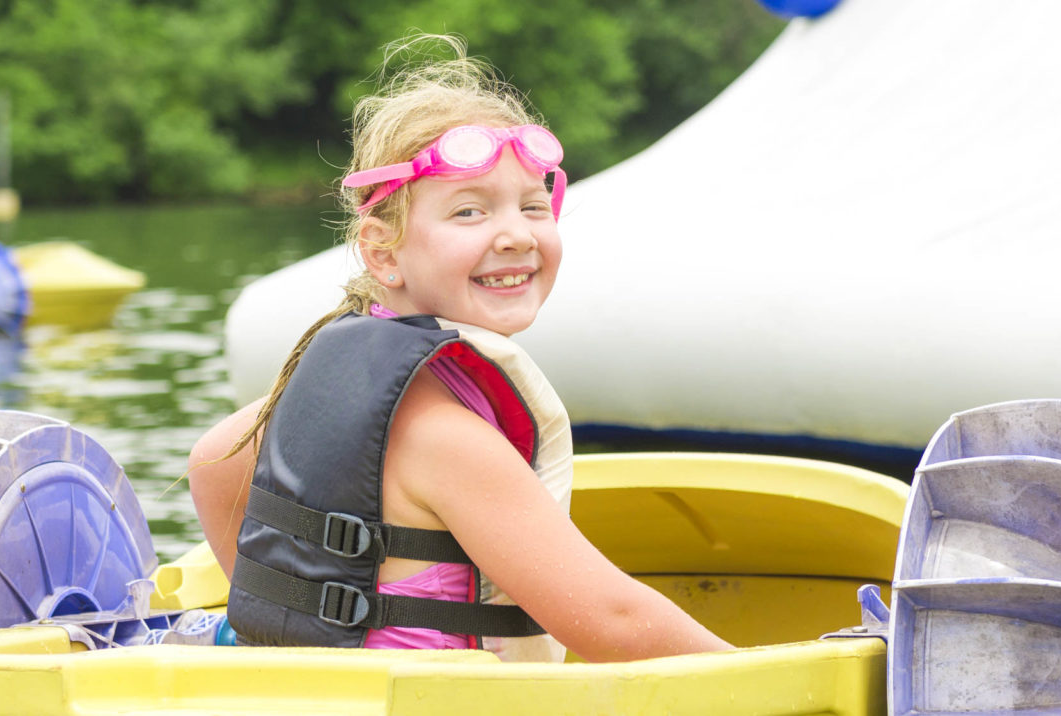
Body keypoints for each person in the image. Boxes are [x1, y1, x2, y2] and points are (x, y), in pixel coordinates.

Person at [186, 36, 732, 664]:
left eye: (533, 207)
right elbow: (611, 621)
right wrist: (771, 678)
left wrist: (282, 626)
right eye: (469, 212)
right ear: (382, 251)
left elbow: (213, 462)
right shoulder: (444, 433)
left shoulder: (339, 379)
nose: (514, 235)